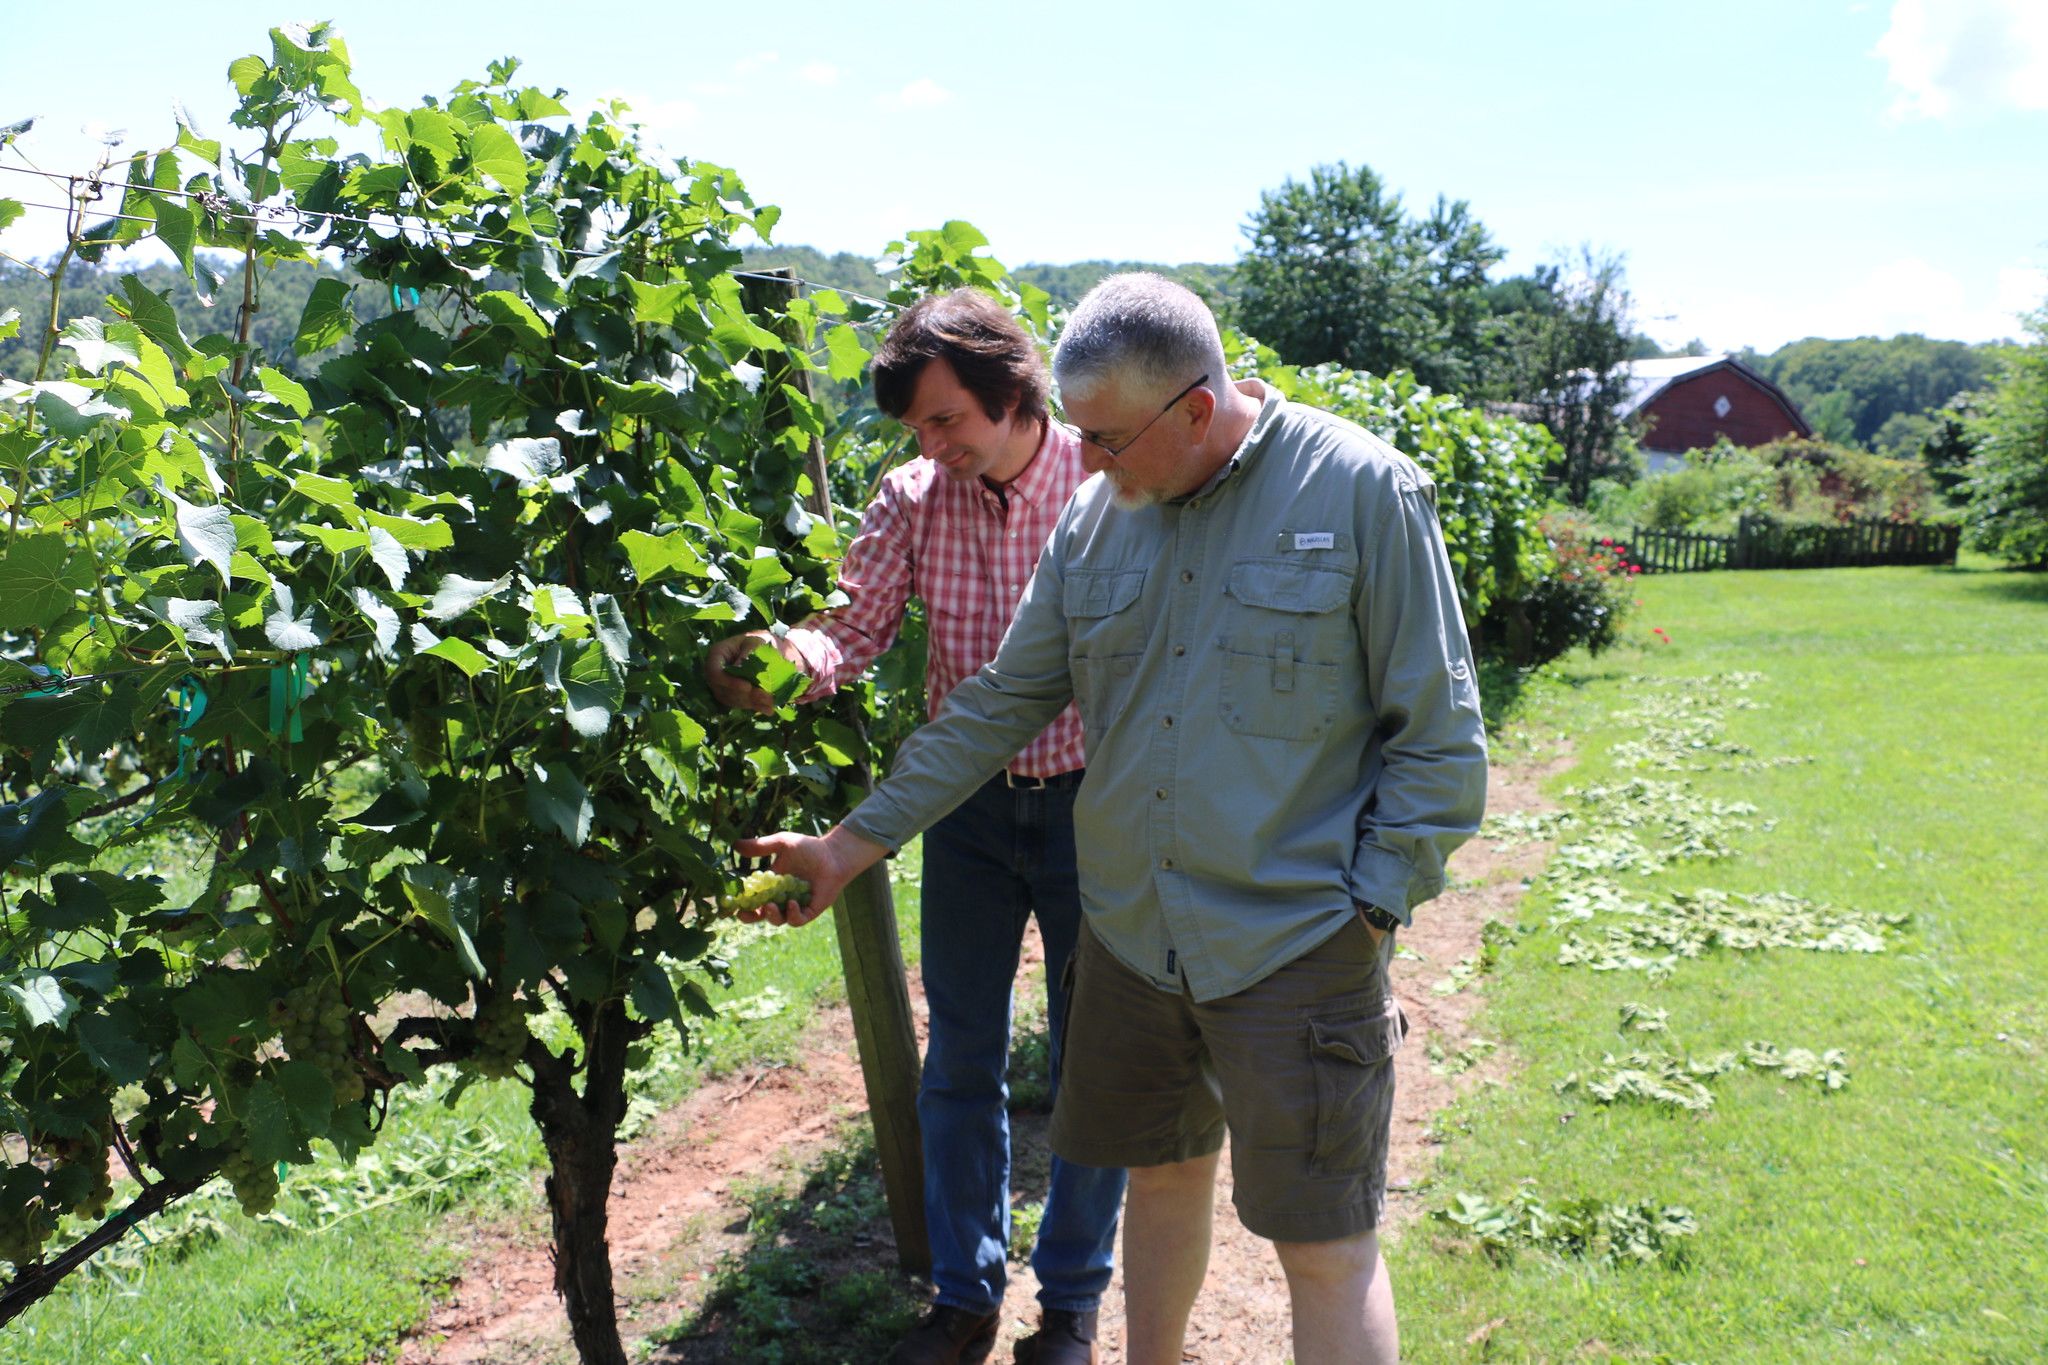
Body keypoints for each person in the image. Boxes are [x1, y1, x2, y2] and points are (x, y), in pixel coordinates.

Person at [736, 273, 1489, 1365]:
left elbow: (1439, 739)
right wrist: (847, 847)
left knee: (1322, 1243)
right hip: (1133, 937)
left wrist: (1368, 909)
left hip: (1294, 940)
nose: (1080, 464)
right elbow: (998, 701)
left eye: (1103, 439)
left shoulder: (1360, 493)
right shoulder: (1098, 518)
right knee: (1162, 1183)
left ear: (1193, 408)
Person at [704, 287, 1126, 1365]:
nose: (931, 445)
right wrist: (788, 660)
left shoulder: (1104, 478)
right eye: (916, 429)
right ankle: (962, 1295)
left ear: (1011, 390)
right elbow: (854, 625)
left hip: (1099, 805)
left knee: (1094, 1064)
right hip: (969, 812)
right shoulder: (910, 495)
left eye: (946, 420)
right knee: (959, 1062)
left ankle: (1070, 1306)